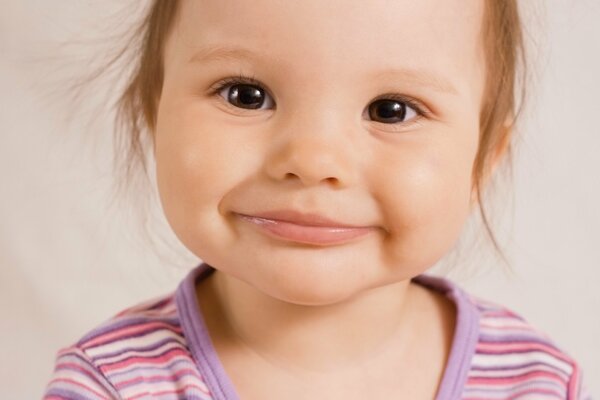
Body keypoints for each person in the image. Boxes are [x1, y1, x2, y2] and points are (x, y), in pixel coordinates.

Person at [42, 0, 592, 399]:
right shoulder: (109, 384)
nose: (313, 160)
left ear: (482, 163)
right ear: (153, 120)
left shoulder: (535, 381)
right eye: (245, 94)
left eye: (391, 110)